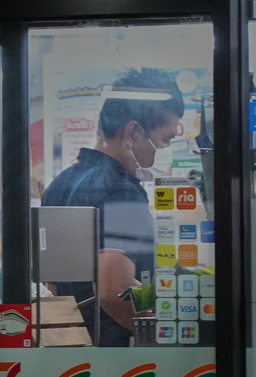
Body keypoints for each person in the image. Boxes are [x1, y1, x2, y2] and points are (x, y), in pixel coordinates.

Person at [42, 67, 183, 347]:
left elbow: (54, 285)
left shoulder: (61, 184)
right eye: (166, 139)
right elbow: (114, 290)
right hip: (118, 358)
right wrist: (172, 331)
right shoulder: (122, 192)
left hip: (72, 352)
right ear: (132, 131)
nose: (164, 148)